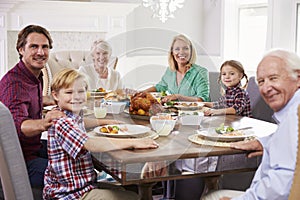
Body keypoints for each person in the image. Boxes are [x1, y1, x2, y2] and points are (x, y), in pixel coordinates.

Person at [43, 68, 159, 199]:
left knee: (130, 189)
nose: (76, 96)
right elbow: (90, 144)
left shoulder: (72, 114)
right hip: (70, 194)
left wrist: (105, 122)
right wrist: (135, 142)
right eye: (69, 92)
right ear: (55, 95)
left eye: (81, 91)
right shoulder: (61, 122)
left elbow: (81, 122)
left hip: (83, 185)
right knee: (133, 198)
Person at [201, 49, 300, 200]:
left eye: (273, 78)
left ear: (298, 77)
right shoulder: (292, 113)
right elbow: (291, 141)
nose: (266, 88)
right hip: (260, 192)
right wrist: (264, 142)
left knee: (211, 196)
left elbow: (282, 186)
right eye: (261, 82)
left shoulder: (295, 116)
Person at [0, 25, 64, 190]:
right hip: (21, 161)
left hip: (32, 148)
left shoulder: (33, 76)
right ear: (21, 49)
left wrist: (50, 99)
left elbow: (25, 100)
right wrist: (46, 122)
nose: (41, 52)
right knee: (73, 173)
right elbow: (19, 126)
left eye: (45, 47)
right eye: (34, 46)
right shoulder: (15, 83)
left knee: (76, 156)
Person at [143, 34, 210, 102]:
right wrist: (141, 93)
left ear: (191, 51)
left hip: (195, 111)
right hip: (174, 111)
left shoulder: (201, 72)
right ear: (172, 52)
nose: (181, 52)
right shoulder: (170, 71)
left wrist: (178, 97)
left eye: (185, 48)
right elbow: (159, 87)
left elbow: (203, 99)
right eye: (177, 49)